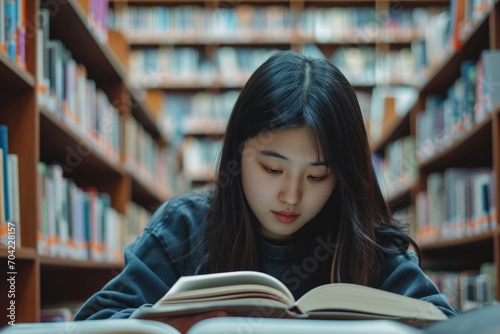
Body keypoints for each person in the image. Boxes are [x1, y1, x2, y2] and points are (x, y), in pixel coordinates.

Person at [74, 50, 456, 330]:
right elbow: (93, 323)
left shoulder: (364, 241)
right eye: (272, 168)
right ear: (237, 155)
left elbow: (446, 324)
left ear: (344, 177)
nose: (291, 196)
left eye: (317, 176)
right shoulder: (184, 227)